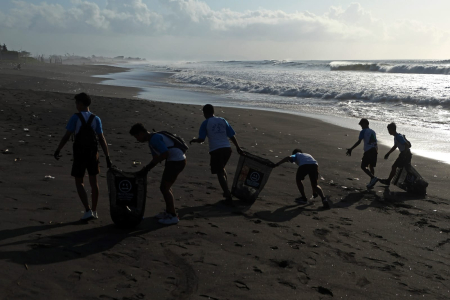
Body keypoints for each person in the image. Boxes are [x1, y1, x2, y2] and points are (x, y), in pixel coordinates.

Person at [54, 93, 111, 220]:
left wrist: (58, 149)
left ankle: (87, 210)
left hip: (79, 153)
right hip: (92, 153)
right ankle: (95, 211)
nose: (76, 106)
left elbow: (67, 136)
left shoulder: (75, 118)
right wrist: (107, 156)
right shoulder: (96, 119)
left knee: (79, 182)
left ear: (80, 103)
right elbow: (101, 139)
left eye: (76, 103)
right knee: (94, 182)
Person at [129, 123, 186, 225]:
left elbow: (165, 153)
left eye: (137, 136)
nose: (137, 139)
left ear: (141, 133)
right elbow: (155, 158)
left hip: (176, 161)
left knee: (164, 188)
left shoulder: (154, 139)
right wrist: (146, 169)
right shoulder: (151, 140)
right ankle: (169, 212)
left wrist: (147, 168)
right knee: (166, 187)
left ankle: (173, 216)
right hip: (174, 160)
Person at [189, 104, 243, 204]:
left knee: (219, 172)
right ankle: (226, 190)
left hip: (216, 150)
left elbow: (201, 139)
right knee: (221, 168)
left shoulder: (205, 123)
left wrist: (194, 140)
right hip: (227, 149)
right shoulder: (222, 120)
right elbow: (231, 135)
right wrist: (238, 147)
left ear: (204, 113)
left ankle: (227, 193)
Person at [346, 118, 378, 189]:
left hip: (368, 151)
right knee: (371, 166)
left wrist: (351, 149)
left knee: (363, 166)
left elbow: (359, 141)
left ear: (365, 124)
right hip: (375, 151)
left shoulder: (363, 131)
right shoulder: (373, 131)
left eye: (361, 124)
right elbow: (375, 142)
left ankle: (373, 178)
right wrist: (377, 151)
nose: (361, 126)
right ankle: (371, 182)